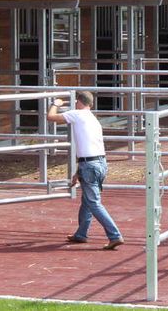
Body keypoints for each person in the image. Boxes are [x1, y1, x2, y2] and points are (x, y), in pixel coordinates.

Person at [47, 91, 124, 250]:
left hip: (89, 164)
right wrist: (78, 172)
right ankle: (81, 234)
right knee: (87, 202)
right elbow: (87, 147)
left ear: (78, 102)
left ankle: (115, 235)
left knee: (93, 203)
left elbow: (51, 117)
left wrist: (56, 104)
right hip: (99, 162)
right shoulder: (92, 118)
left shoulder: (77, 114)